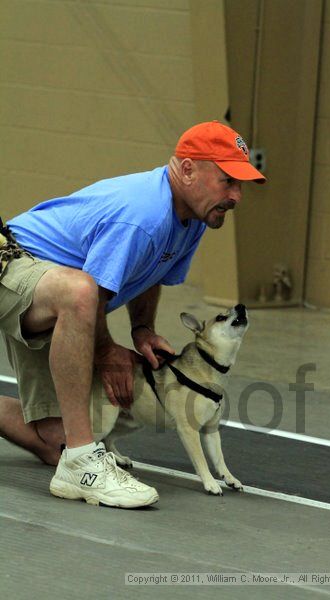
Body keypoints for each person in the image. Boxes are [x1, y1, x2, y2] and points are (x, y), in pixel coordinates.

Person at [0, 120, 265, 508]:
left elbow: (153, 267)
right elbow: (90, 292)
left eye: (240, 185)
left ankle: (69, 451)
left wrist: (142, 328)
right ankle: (83, 461)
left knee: (54, 439)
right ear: (188, 168)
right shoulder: (143, 215)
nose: (237, 196)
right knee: (80, 292)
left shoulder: (190, 218)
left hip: (48, 286)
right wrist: (106, 353)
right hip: (14, 263)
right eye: (228, 181)